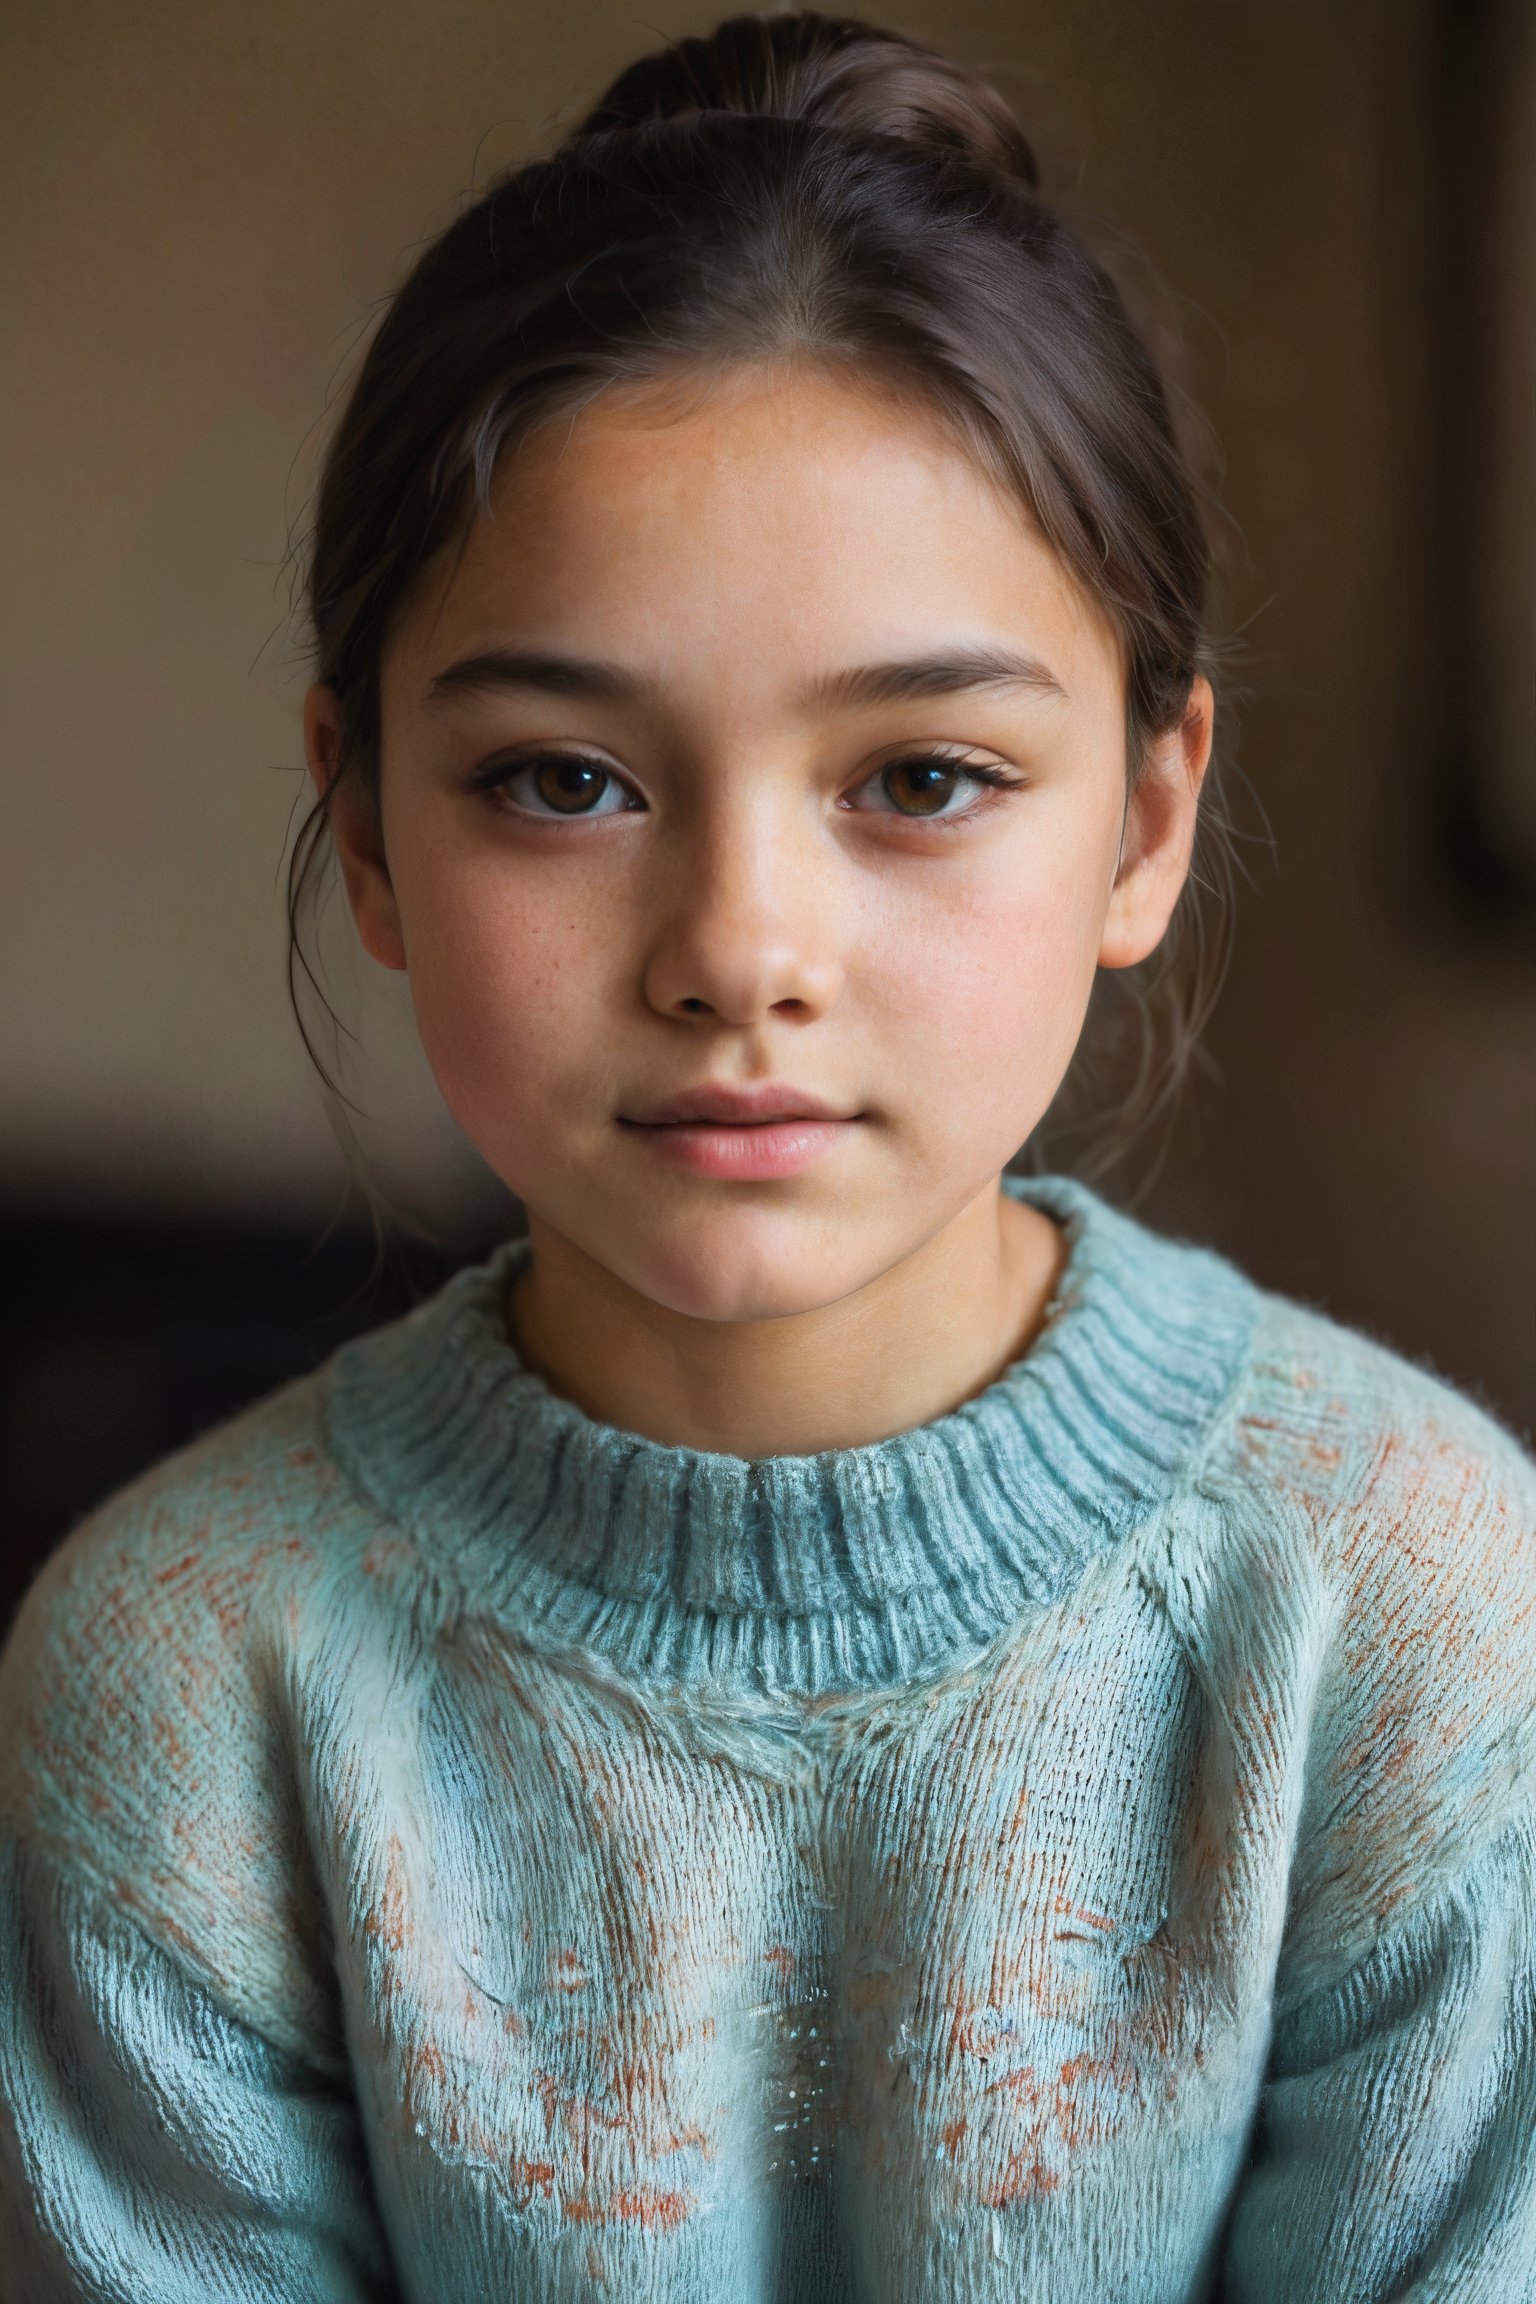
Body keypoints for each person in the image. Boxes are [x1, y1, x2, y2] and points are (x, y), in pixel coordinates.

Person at [1, 13, 1532, 2299]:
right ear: (370, 832)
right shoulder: (183, 1690)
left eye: (920, 777)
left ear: (1145, 812)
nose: (738, 952)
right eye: (566, 780)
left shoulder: (1408, 1615)